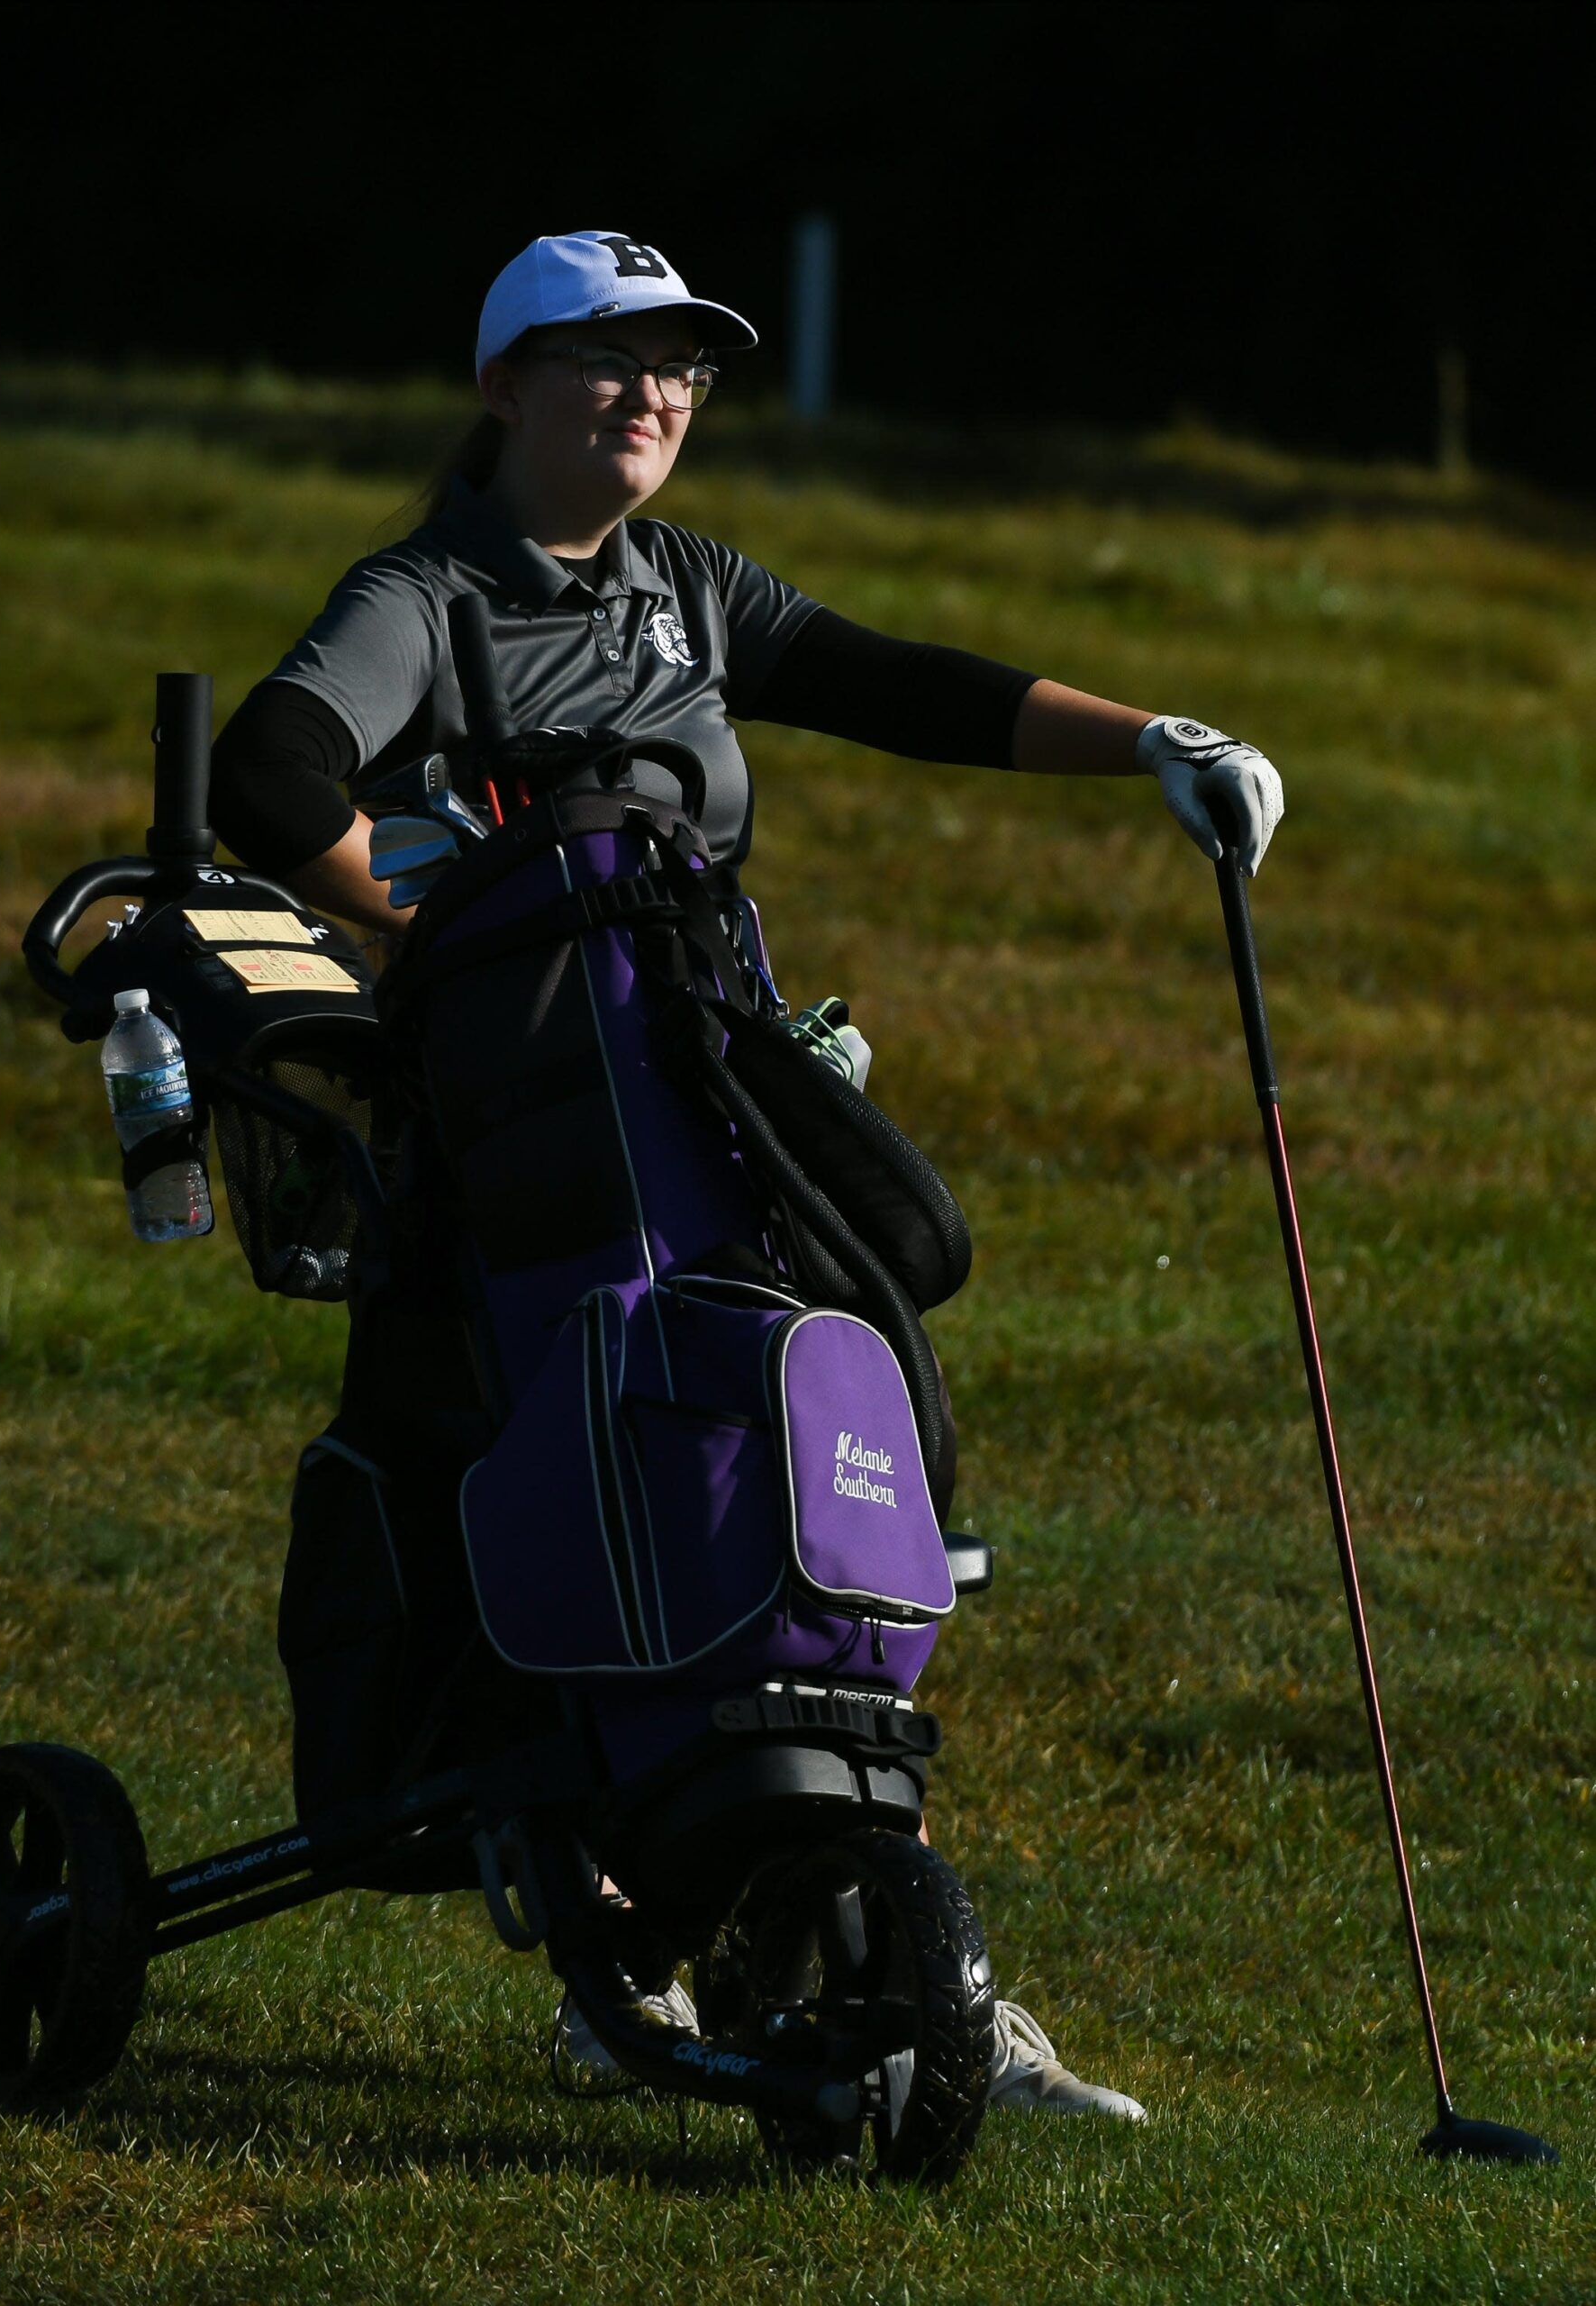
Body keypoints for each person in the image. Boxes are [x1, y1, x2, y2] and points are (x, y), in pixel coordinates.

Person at [210, 230, 1286, 2126]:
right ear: (503, 390)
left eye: (681, 369)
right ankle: (631, 1942)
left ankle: (883, 1942)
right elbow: (271, 766)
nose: (651, 394)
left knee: (838, 1430)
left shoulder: (683, 593)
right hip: (520, 1142)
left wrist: (1158, 745)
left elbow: (893, 682)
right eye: (606, 359)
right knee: (609, 1454)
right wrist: (438, 920)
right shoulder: (427, 593)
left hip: (712, 1095)